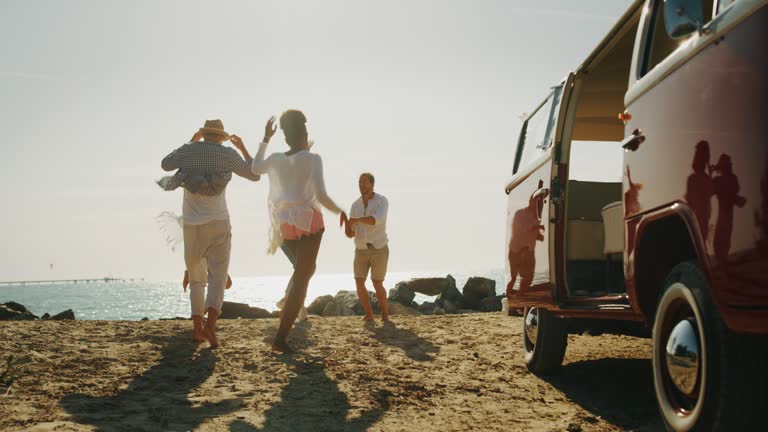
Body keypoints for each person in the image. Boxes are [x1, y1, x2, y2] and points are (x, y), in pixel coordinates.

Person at [250, 110, 347, 353]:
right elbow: (322, 196)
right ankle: (280, 339)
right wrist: (341, 211)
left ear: (285, 136)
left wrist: (264, 138)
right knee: (303, 277)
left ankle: (287, 311)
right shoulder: (313, 159)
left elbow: (254, 168)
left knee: (304, 270)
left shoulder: (275, 158)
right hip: (308, 221)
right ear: (305, 133)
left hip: (284, 223)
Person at [161, 119, 260, 347]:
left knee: (196, 278)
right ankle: (210, 326)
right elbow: (254, 175)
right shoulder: (227, 154)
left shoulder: (188, 151)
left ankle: (197, 329)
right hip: (218, 222)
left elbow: (166, 165)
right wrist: (243, 148)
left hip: (192, 225)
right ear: (221, 136)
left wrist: (189, 143)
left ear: (203, 134)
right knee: (218, 276)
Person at [345, 173, 390, 322]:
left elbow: (375, 220)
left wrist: (355, 220)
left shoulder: (381, 201)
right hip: (361, 249)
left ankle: (384, 314)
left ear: (372, 184)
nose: (361, 185)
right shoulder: (355, 205)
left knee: (377, 283)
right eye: (359, 182)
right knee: (359, 282)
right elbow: (351, 233)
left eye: (364, 182)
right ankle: (369, 315)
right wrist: (348, 226)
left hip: (379, 248)